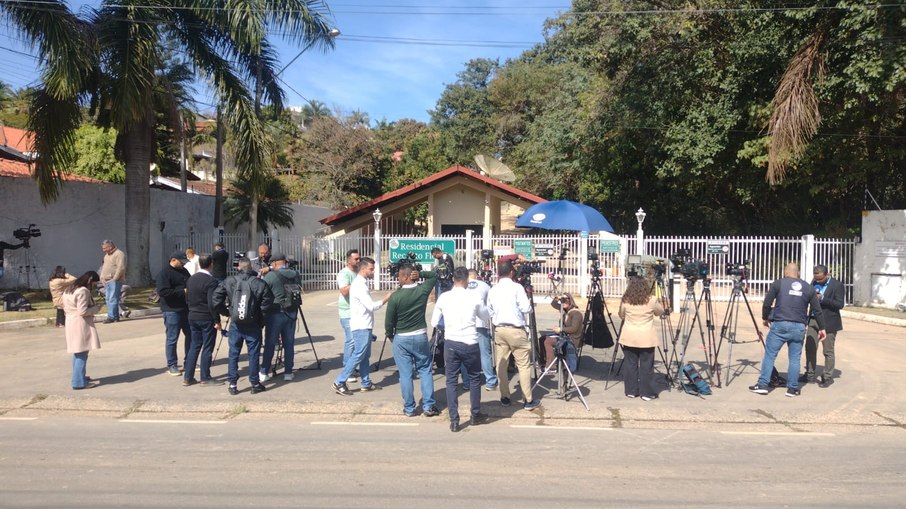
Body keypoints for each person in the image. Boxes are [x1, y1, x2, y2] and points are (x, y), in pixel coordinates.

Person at [751, 263, 826, 397]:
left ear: (785, 273)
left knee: (770, 355)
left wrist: (765, 317)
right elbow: (817, 310)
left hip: (780, 324)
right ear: (797, 273)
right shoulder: (809, 288)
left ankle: (762, 385)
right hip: (799, 327)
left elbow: (767, 303)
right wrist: (822, 328)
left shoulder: (778, 284)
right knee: (794, 358)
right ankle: (792, 389)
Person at [432, 267, 491, 432]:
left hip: (451, 342)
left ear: (453, 280)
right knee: (474, 379)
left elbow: (434, 321)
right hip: (470, 342)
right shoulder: (474, 296)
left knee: (451, 381)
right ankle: (475, 414)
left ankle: (454, 420)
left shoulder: (444, 297)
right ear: (467, 281)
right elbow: (485, 316)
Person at [384, 265, 440, 417]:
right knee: (425, 370)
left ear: (406, 277)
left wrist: (390, 335)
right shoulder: (422, 291)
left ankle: (409, 408)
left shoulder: (396, 296)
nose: (398, 279)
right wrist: (421, 273)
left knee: (405, 374)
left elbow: (389, 321)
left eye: (400, 277)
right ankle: (428, 406)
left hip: (401, 337)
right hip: (420, 335)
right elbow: (434, 276)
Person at [213, 258, 273, 395]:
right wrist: (260, 319)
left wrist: (227, 312)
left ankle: (233, 384)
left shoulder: (229, 281)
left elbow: (215, 299)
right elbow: (267, 304)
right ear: (250, 267)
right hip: (253, 323)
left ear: (238, 267)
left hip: (236, 323)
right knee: (254, 354)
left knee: (233, 353)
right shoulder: (259, 283)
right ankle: (255, 383)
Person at [332, 256, 391, 396]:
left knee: (364, 356)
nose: (373, 271)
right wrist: (386, 298)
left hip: (364, 324)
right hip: (361, 326)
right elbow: (371, 306)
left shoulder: (361, 283)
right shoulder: (359, 285)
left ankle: (366, 382)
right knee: (359, 354)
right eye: (371, 269)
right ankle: (340, 381)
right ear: (364, 269)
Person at [487, 261, 540, 410]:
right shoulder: (517, 288)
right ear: (511, 272)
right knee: (523, 366)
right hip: (516, 330)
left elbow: (489, 311)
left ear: (498, 273)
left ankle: (505, 397)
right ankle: (528, 399)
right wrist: (529, 303)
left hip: (500, 330)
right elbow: (525, 308)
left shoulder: (493, 289)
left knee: (501, 365)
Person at [618, 279, 665, 400]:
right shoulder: (652, 300)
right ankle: (647, 393)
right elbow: (660, 312)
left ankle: (631, 391)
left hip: (629, 336)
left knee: (630, 364)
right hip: (646, 337)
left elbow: (621, 314)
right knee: (646, 366)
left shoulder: (626, 300)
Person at [261, 253, 301, 382]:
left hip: (275, 313)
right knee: (289, 343)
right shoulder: (295, 274)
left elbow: (262, 291)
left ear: (274, 263)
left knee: (270, 343)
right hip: (292, 313)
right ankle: (288, 372)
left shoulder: (271, 276)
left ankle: (264, 371)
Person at [184, 254, 223, 386]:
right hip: (206, 317)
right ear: (211, 264)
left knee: (194, 346)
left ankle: (188, 376)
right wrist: (217, 320)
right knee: (207, 347)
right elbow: (212, 303)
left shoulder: (191, 279)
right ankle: (205, 377)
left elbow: (187, 298)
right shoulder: (211, 281)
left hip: (193, 315)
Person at [805, 264, 845, 388]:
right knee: (810, 347)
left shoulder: (837, 285)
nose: (818, 281)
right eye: (816, 279)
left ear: (827, 275)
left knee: (828, 350)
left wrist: (823, 299)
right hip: (813, 320)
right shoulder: (813, 282)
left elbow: (839, 304)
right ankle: (810, 374)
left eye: (820, 279)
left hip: (829, 321)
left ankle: (827, 377)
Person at [62, 271, 102, 390]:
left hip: (70, 321)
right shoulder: (83, 291)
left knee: (78, 351)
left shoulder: (69, 289)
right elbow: (83, 311)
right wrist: (96, 308)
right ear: (90, 281)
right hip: (80, 323)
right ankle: (78, 381)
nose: (93, 286)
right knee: (82, 353)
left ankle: (79, 376)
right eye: (94, 284)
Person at [157, 250, 191, 377]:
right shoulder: (164, 274)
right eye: (181, 262)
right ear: (173, 260)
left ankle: (189, 361)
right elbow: (164, 292)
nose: (183, 265)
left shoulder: (184, 271)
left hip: (186, 308)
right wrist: (183, 292)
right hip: (171, 310)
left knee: (191, 335)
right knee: (172, 338)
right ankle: (172, 364)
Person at [467, 269, 497, 391]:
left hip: (467, 323)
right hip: (481, 322)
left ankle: (467, 382)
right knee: (485, 353)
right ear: (477, 276)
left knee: (467, 354)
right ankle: (490, 381)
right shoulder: (485, 285)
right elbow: (491, 303)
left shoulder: (462, 285)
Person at [542, 292, 584, 373]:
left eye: (565, 300)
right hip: (564, 336)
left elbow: (574, 329)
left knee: (548, 341)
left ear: (570, 300)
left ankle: (552, 366)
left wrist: (561, 329)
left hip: (572, 339)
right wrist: (557, 298)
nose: (563, 303)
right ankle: (544, 362)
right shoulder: (565, 310)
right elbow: (553, 304)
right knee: (543, 338)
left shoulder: (576, 313)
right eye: (562, 301)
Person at [336, 249, 361, 381]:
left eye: (359, 259)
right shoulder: (344, 273)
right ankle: (347, 369)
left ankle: (353, 367)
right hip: (347, 311)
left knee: (357, 340)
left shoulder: (357, 273)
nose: (358, 261)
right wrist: (357, 283)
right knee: (350, 340)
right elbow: (344, 290)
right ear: (348, 260)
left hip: (357, 311)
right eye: (356, 259)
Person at [99, 240, 126, 324]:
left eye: (104, 248)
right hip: (106, 281)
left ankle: (111, 317)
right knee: (108, 299)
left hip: (114, 281)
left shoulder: (119, 254)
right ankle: (115, 316)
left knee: (112, 299)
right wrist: (102, 277)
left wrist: (115, 278)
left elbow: (121, 267)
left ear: (110, 247)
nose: (103, 250)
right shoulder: (106, 256)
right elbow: (104, 267)